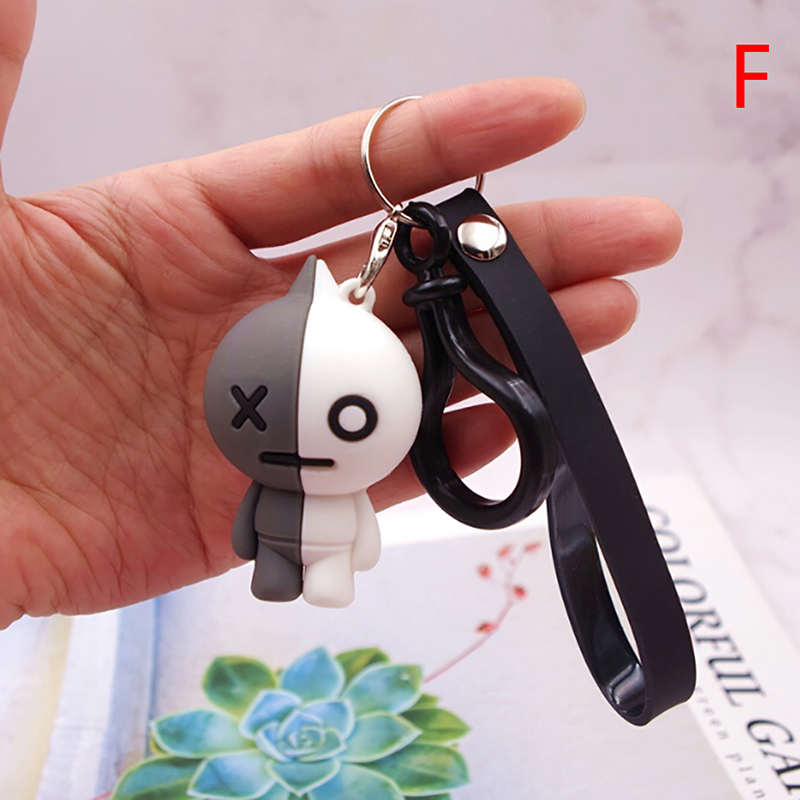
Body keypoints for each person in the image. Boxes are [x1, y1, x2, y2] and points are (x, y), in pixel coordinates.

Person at [0, 0, 681, 629]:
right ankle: (285, 573)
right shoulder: (279, 472)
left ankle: (318, 576)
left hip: (331, 502)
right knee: (275, 563)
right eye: (251, 409)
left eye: (350, 419)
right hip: (278, 522)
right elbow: (260, 522)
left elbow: (345, 525)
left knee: (327, 566)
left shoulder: (343, 469)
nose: (294, 437)